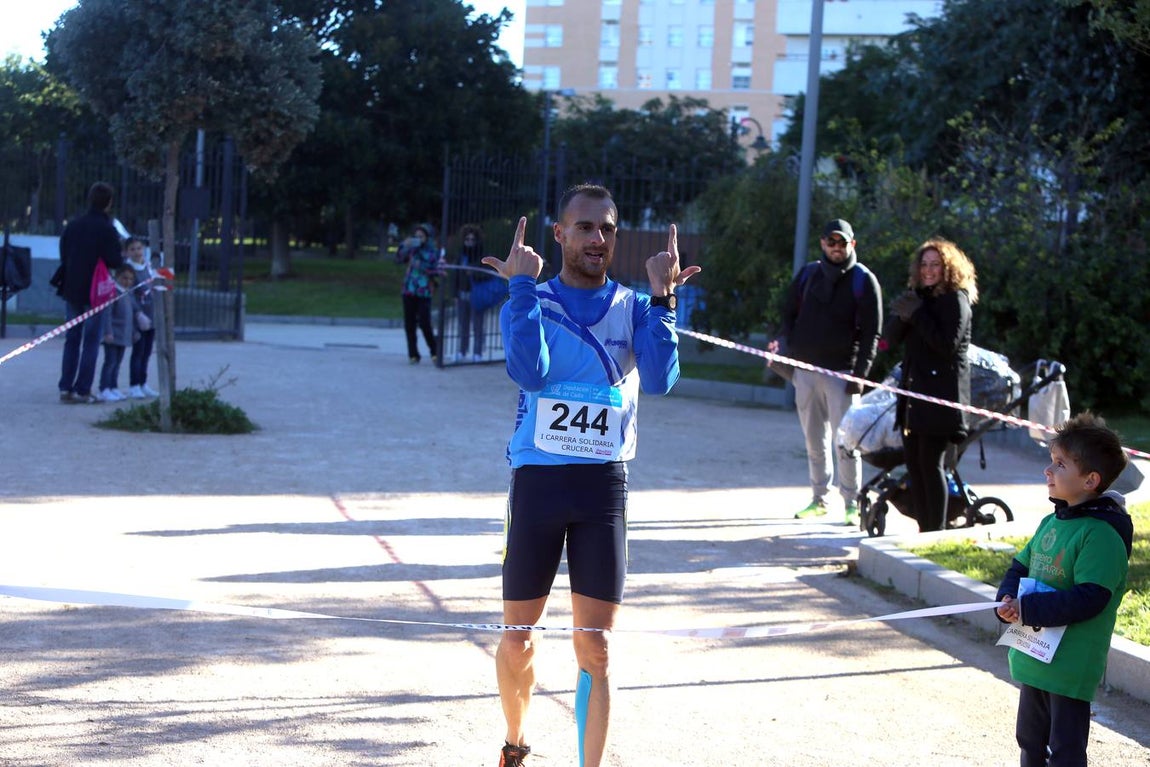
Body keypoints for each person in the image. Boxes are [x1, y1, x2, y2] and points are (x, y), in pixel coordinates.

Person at [480, 183, 700, 767]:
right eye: (585, 227)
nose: (597, 238)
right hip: (539, 482)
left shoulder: (635, 306)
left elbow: (658, 380)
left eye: (607, 228)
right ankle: (516, 742)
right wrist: (521, 287)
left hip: (602, 488)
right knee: (518, 637)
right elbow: (531, 371)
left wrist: (665, 301)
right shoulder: (532, 299)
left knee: (595, 648)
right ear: (560, 234)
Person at [995, 412, 1132, 767]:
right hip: (1034, 654)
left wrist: (1030, 609)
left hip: (1069, 665)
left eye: (1059, 464)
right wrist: (1007, 600)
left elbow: (1092, 597)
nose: (1048, 471)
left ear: (1090, 480)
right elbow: (1019, 566)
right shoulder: (1051, 522)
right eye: (1050, 461)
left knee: (1065, 750)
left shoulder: (1101, 534)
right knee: (1029, 740)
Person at [768, 218, 882, 526]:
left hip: (842, 375)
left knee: (846, 441)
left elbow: (872, 332)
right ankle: (819, 498)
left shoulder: (863, 280)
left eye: (842, 243)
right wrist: (783, 346)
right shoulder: (807, 275)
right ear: (822, 244)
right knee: (813, 440)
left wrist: (859, 375)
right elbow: (788, 315)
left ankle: (851, 503)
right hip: (805, 372)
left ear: (851, 245)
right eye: (831, 242)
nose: (836, 248)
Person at [881, 237, 977, 532]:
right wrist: (903, 314)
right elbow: (889, 341)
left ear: (948, 268)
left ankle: (935, 534)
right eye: (924, 265)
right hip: (912, 397)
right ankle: (924, 529)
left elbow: (946, 345)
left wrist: (919, 314)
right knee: (915, 467)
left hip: (940, 400)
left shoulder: (956, 301)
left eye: (935, 265)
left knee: (931, 466)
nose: (928, 270)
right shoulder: (920, 298)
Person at [57, 181, 125, 404]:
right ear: (109, 203)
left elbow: (64, 253)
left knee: (72, 339)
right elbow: (114, 260)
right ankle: (83, 389)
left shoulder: (74, 225)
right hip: (97, 291)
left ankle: (65, 387)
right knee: (92, 341)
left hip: (72, 288)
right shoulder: (107, 229)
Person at [395, 223, 442, 364]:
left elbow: (436, 270)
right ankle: (413, 354)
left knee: (424, 322)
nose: (418, 239)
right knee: (409, 323)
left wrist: (420, 266)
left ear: (427, 237)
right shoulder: (411, 250)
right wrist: (404, 245)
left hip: (424, 291)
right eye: (416, 236)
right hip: (409, 289)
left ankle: (434, 350)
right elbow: (398, 259)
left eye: (421, 236)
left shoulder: (433, 252)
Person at [97, 265, 139, 402]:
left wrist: (133, 332)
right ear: (117, 277)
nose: (127, 281)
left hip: (124, 335)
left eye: (130, 279)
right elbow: (107, 314)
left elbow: (131, 315)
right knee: (110, 362)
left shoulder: (128, 293)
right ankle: (104, 389)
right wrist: (108, 332)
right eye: (124, 278)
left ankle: (113, 387)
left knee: (118, 363)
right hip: (113, 335)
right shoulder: (113, 293)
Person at [125, 237, 159, 399]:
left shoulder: (147, 266)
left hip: (151, 314)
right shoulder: (128, 270)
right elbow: (129, 294)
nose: (137, 252)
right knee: (138, 352)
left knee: (147, 352)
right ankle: (134, 385)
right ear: (127, 252)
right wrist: (138, 313)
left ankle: (143, 383)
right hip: (138, 317)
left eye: (139, 248)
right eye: (133, 249)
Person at [452, 224, 490, 362]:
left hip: (477, 295)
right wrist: (454, 294)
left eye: (472, 239)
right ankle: (462, 351)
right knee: (463, 325)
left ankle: (478, 352)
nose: (469, 242)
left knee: (478, 325)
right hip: (462, 294)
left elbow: (487, 275)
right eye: (467, 239)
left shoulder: (481, 256)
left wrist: (473, 272)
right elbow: (455, 276)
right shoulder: (461, 255)